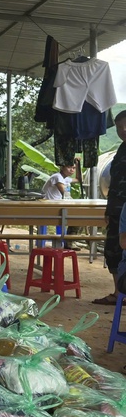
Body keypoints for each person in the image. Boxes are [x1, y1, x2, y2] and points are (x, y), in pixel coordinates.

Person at [95, 112, 126, 305]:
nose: (123, 130)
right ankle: (119, 293)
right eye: (119, 127)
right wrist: (109, 209)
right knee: (113, 251)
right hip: (116, 211)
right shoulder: (122, 149)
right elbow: (114, 183)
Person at [39, 163, 76, 247]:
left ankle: (62, 242)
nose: (72, 170)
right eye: (69, 166)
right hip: (48, 205)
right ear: (62, 167)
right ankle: (65, 242)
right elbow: (65, 194)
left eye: (74, 168)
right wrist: (74, 202)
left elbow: (78, 179)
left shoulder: (65, 179)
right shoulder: (57, 177)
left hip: (56, 205)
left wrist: (77, 163)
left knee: (63, 218)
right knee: (67, 217)